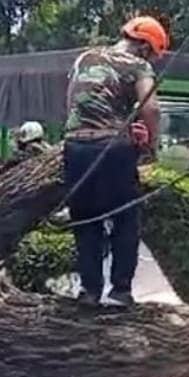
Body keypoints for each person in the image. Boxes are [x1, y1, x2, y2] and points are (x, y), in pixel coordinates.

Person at [62, 15, 166, 308]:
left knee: (86, 220)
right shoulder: (137, 65)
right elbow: (152, 109)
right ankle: (120, 291)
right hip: (111, 148)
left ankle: (89, 291)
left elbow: (73, 101)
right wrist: (150, 146)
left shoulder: (85, 57)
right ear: (145, 48)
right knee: (126, 218)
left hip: (75, 147)